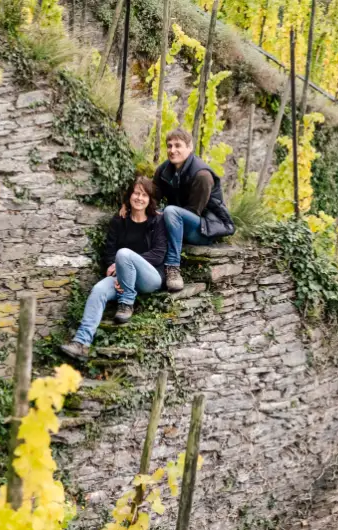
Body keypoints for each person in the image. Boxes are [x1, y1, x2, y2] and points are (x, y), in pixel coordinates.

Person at [60, 177, 167, 361]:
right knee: (99, 290)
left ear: (150, 199)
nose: (139, 198)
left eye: (144, 195)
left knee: (124, 254)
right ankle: (81, 343)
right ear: (129, 195)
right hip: (121, 277)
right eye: (136, 193)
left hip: (150, 278)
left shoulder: (157, 221)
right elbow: (109, 252)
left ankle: (127, 303)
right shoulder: (119, 220)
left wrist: (124, 267)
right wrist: (120, 273)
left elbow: (158, 254)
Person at [151, 128, 235, 292]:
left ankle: (173, 268)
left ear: (189, 148)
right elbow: (153, 196)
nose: (172, 150)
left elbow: (192, 212)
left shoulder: (202, 175)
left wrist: (164, 214)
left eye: (178, 145)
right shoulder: (164, 170)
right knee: (154, 214)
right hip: (179, 220)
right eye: (169, 146)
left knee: (169, 212)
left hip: (203, 229)